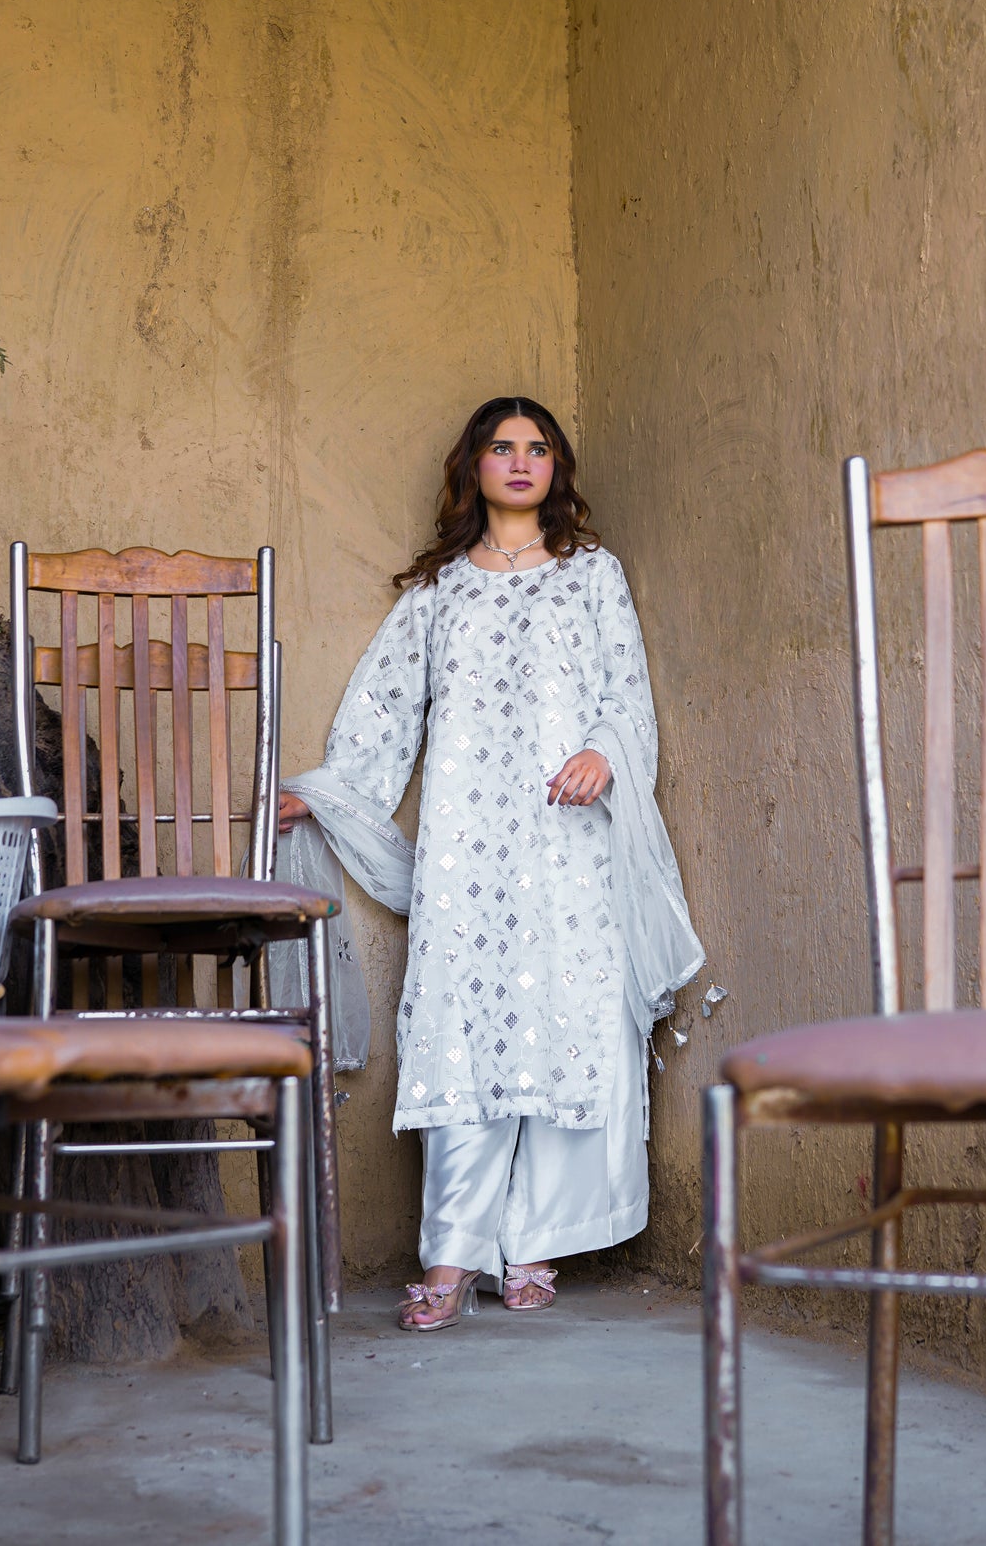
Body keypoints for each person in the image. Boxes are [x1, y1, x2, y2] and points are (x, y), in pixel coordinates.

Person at [276, 396, 704, 1331]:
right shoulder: (437, 592)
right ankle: (450, 1254)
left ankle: (537, 1242)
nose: (519, 462)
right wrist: (331, 791)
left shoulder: (593, 575)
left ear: (556, 469)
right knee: (462, 1027)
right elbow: (385, 710)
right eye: (501, 448)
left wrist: (603, 751)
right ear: (472, 466)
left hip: (568, 839)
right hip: (469, 845)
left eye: (537, 448)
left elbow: (625, 695)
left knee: (563, 1020)